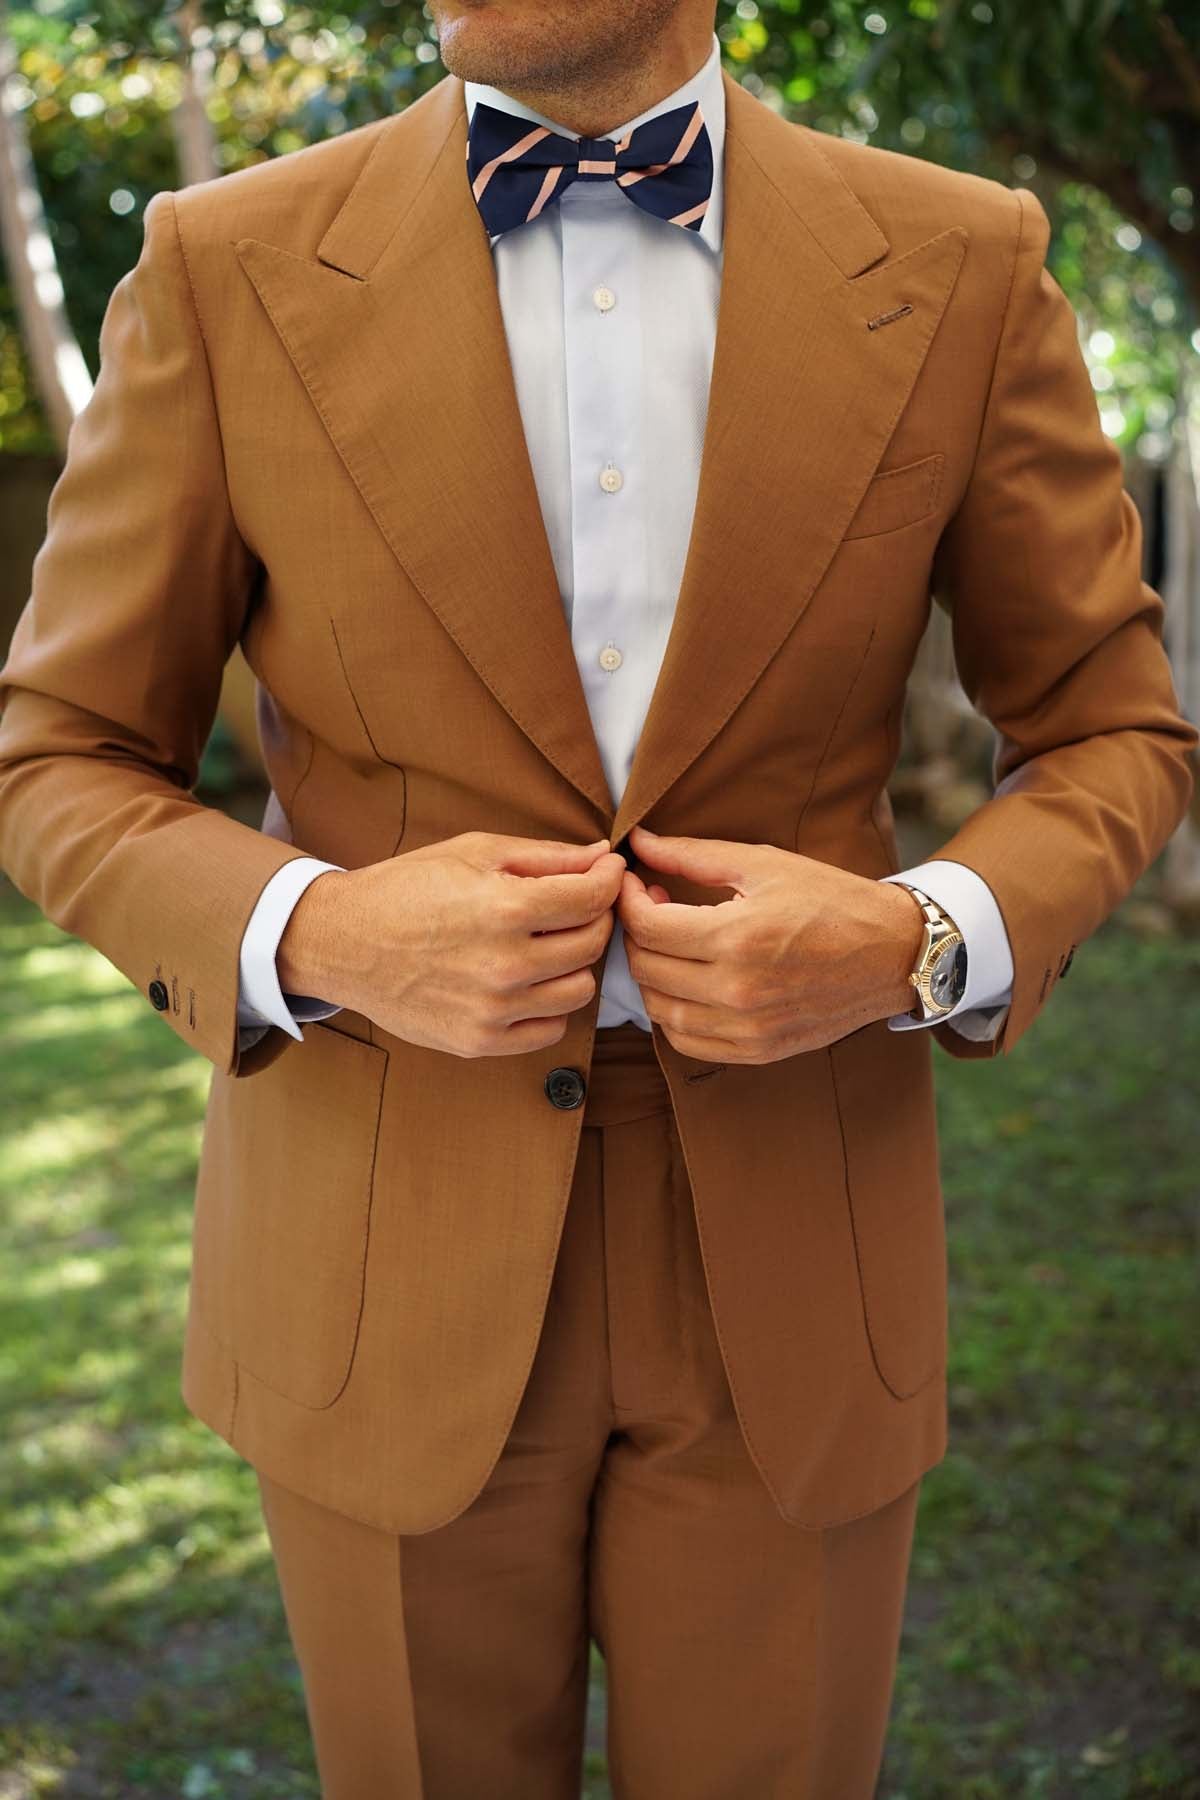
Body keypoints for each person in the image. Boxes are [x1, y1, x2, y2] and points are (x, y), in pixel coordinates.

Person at [0, 0, 1195, 1793]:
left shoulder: (960, 262)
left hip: (800, 1246)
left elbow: (1115, 728)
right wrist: (319, 932)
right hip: (378, 1249)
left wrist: (913, 939)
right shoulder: (223, 265)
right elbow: (60, 755)